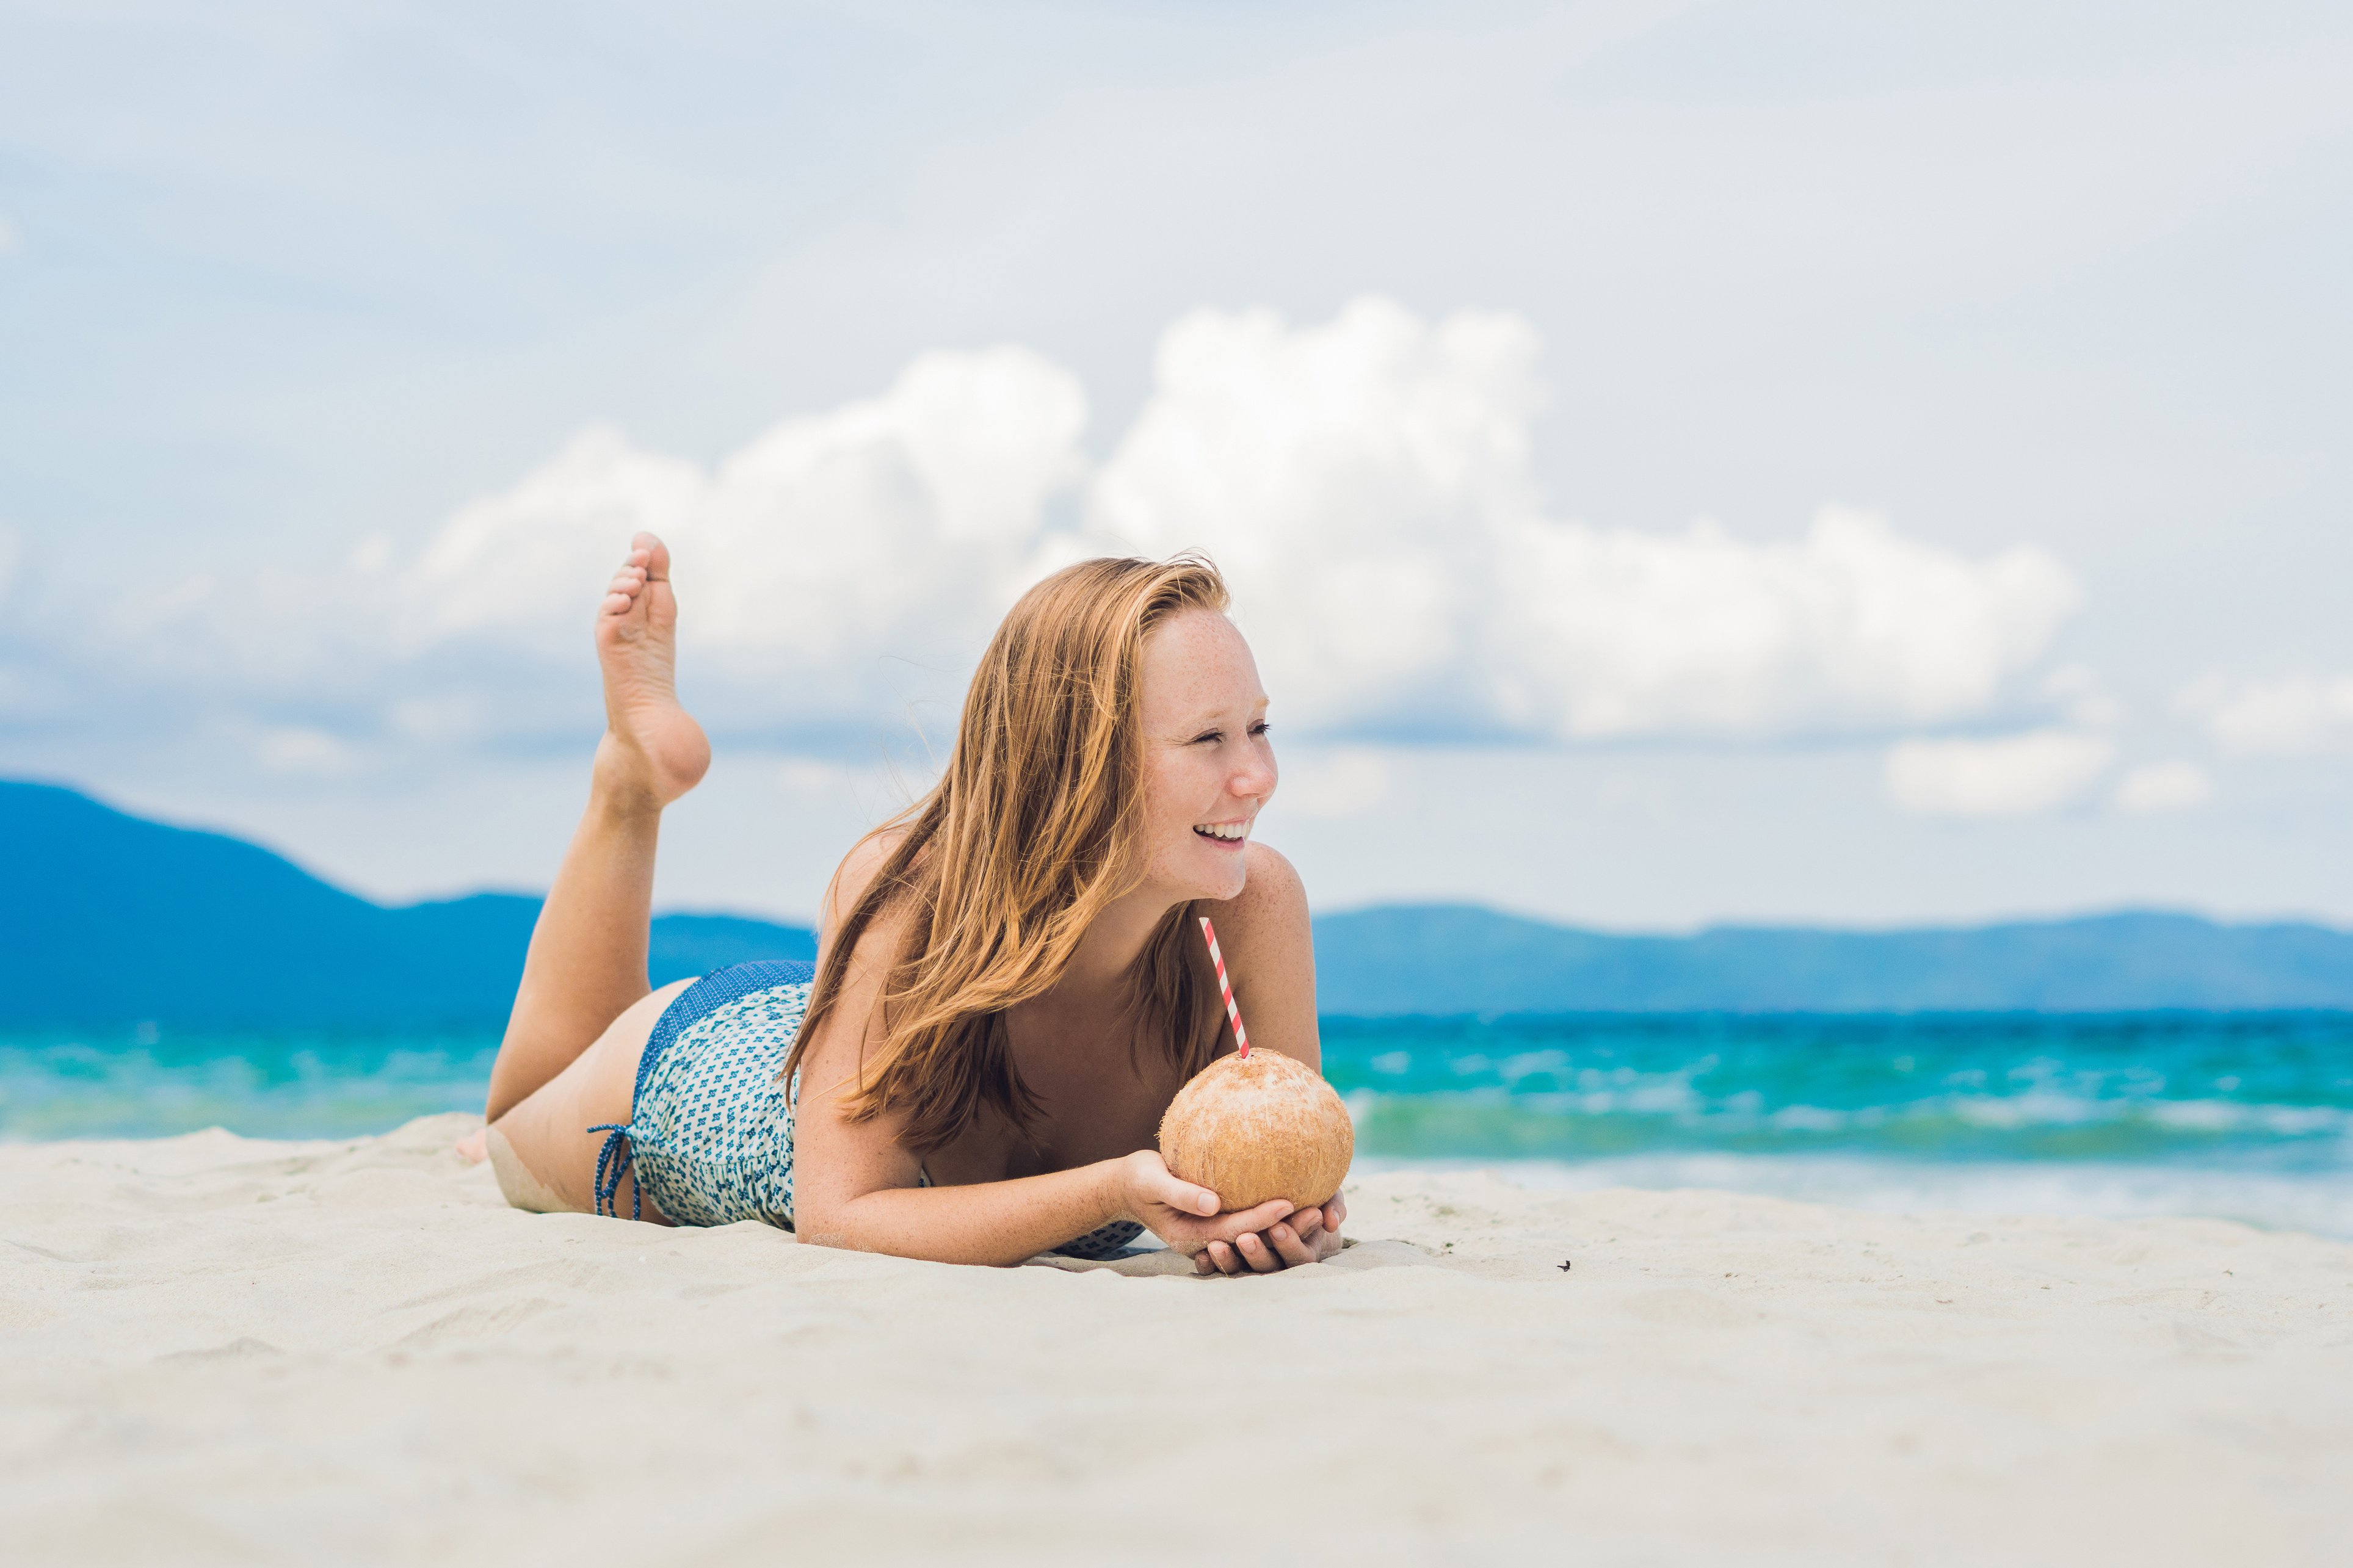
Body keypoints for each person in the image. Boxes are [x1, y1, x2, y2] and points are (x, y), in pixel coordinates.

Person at [473, 533, 1344, 1274]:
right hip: (696, 1071)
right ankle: (629, 783)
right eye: (1208, 739)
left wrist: (1286, 1221)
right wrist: (1116, 1189)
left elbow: (1292, 1174)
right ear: (1082, 757)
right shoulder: (907, 888)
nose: (1258, 778)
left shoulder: (1250, 905)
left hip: (851, 1033)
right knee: (506, 1130)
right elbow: (838, 1214)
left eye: (1259, 728)